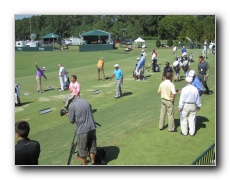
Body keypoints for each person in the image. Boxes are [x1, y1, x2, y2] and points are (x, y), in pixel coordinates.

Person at [63, 95, 97, 165]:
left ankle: (84, 165)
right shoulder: (84, 100)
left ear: (68, 101)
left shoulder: (71, 106)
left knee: (82, 150)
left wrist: (67, 114)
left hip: (82, 130)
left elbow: (72, 121)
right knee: (92, 147)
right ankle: (93, 163)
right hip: (92, 127)